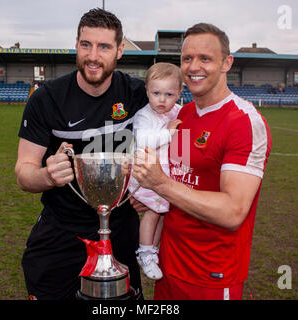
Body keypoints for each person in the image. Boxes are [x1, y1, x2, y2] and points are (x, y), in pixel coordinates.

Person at [14, 8, 148, 300]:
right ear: (76, 44)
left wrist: (151, 191)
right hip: (62, 231)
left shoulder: (139, 94)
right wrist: (47, 175)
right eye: (86, 44)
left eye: (104, 47)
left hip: (120, 231)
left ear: (120, 50)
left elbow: (175, 134)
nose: (93, 56)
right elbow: (24, 173)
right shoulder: (46, 99)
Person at [132, 23, 272, 300]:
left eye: (205, 58)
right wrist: (147, 193)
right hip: (169, 265)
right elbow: (177, 173)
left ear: (226, 63)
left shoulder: (244, 122)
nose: (194, 66)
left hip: (211, 275)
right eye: (187, 58)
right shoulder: (180, 114)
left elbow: (232, 212)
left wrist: (160, 185)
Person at [127, 62, 182, 280]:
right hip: (145, 174)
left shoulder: (176, 111)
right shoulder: (145, 115)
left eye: (169, 94)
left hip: (163, 174)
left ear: (178, 93)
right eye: (156, 93)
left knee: (162, 213)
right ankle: (145, 251)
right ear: (147, 91)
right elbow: (142, 140)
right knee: (153, 212)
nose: (162, 99)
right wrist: (168, 133)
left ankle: (153, 249)